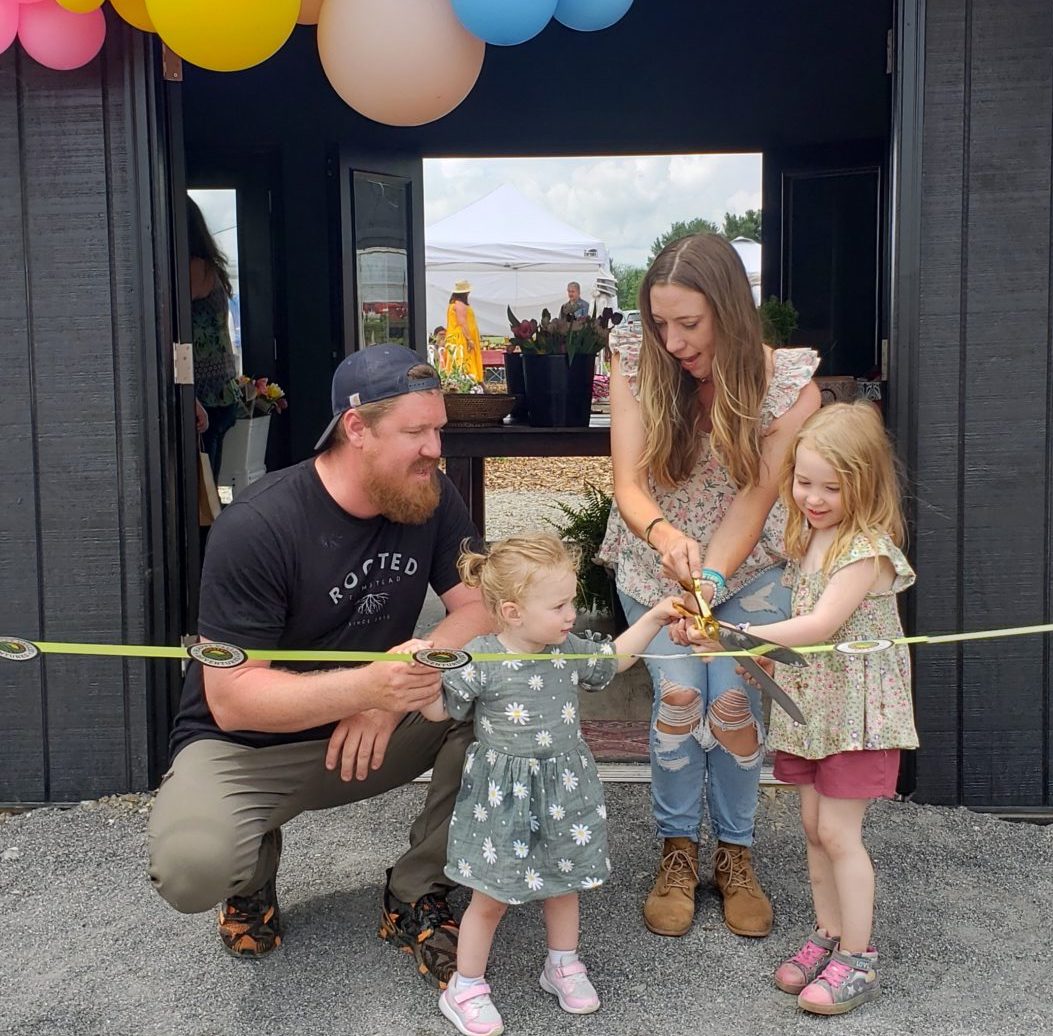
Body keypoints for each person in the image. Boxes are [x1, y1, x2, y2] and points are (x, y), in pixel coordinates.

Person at [147, 345, 492, 991]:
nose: (434, 448)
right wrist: (364, 687)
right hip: (251, 747)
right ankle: (249, 875)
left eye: (437, 428)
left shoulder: (431, 495)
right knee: (191, 867)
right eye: (416, 432)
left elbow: (479, 608)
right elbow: (233, 699)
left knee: (504, 705)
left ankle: (418, 891)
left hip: (375, 729)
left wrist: (388, 697)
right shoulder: (258, 525)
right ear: (356, 429)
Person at [597, 232, 821, 940]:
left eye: (688, 323)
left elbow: (757, 500)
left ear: (729, 308)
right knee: (681, 693)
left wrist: (714, 575)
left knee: (730, 699)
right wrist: (666, 538)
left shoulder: (791, 386)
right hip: (655, 559)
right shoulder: (635, 360)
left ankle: (735, 853)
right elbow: (627, 482)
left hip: (746, 565)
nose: (672, 339)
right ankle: (675, 849)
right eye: (661, 322)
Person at [682, 401, 919, 1016]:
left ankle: (859, 957)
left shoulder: (865, 549)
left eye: (829, 487)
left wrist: (740, 639)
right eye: (803, 481)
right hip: (816, 708)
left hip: (855, 714)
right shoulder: (811, 537)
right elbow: (803, 634)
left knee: (840, 834)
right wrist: (754, 654)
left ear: (863, 483)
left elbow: (821, 623)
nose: (811, 497)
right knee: (813, 830)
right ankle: (829, 935)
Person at [415, 533, 680, 1036]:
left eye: (571, 601)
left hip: (562, 787)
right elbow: (438, 709)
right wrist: (421, 673)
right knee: (490, 896)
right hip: (502, 794)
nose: (572, 613)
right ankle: (465, 986)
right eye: (560, 604)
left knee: (565, 882)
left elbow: (612, 661)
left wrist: (653, 618)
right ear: (512, 612)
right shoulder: (481, 656)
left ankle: (562, 963)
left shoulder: (567, 648)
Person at [188, 198, 239, 478]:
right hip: (221, 390)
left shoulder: (193, 268)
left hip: (204, 395)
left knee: (199, 489)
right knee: (207, 482)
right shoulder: (210, 267)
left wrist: (189, 397)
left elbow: (170, 324)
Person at [444, 280, 484, 382]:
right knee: (465, 360)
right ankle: (468, 380)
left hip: (458, 337)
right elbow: (462, 323)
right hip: (461, 338)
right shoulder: (459, 304)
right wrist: (469, 339)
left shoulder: (454, 303)